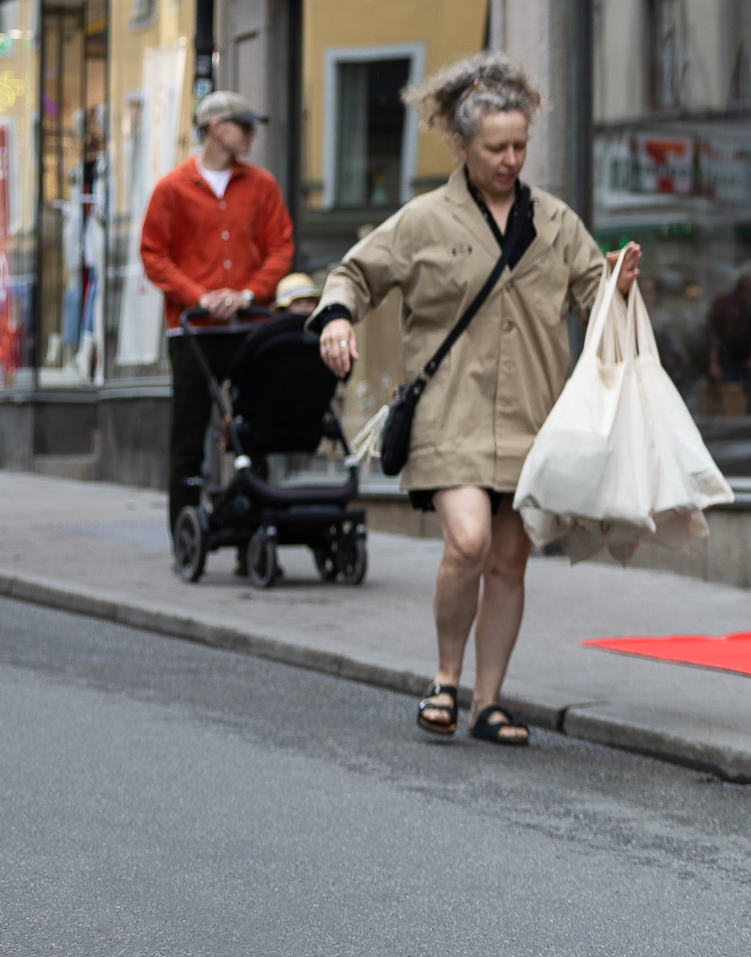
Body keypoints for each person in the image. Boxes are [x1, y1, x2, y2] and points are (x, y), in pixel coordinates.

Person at [315, 55, 636, 747]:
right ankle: (444, 677)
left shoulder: (554, 222)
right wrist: (338, 318)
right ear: (461, 146)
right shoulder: (424, 220)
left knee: (509, 561)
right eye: (497, 147)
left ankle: (489, 703)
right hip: (449, 413)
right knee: (469, 540)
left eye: (520, 145)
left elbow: (597, 309)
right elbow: (354, 273)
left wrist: (619, 287)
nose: (511, 159)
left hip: (533, 417)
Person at [143, 89, 294, 516]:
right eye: (242, 126)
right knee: (188, 436)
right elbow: (154, 255)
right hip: (192, 331)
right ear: (214, 128)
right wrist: (200, 297)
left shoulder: (261, 185)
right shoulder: (172, 189)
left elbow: (280, 248)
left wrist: (247, 294)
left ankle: (253, 528)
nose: (251, 134)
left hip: (249, 329)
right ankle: (184, 534)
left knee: (254, 431)